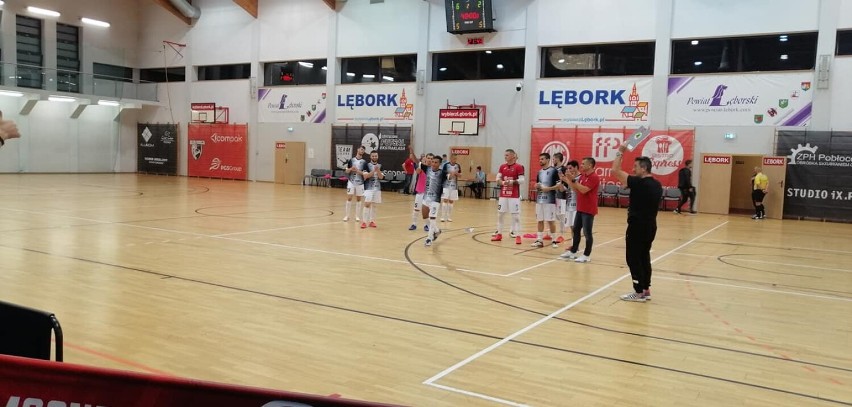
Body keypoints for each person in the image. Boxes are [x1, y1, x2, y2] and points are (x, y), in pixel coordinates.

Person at [562, 157, 599, 262]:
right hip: (580, 207)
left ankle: (586, 255)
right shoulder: (583, 176)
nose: (581, 165)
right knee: (576, 230)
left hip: (588, 209)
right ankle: (573, 251)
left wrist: (573, 180)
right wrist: (568, 180)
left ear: (590, 165)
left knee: (587, 233)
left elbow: (583, 190)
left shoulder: (594, 177)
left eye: (583, 164)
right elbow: (575, 189)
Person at [492, 149, 525, 245]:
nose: (505, 157)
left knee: (516, 216)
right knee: (500, 215)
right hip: (503, 195)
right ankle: (499, 234)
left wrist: (512, 182)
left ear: (512, 156)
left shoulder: (519, 167)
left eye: (507, 155)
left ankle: (518, 236)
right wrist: (502, 182)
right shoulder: (502, 167)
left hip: (514, 196)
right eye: (505, 155)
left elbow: (522, 180)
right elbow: (497, 179)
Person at [532, 153, 560, 248]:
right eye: (539, 159)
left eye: (542, 159)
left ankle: (554, 240)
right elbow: (538, 184)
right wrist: (537, 186)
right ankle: (539, 240)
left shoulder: (554, 171)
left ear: (548, 160)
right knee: (540, 220)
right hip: (539, 200)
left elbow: (559, 185)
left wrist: (549, 189)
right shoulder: (539, 172)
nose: (540, 161)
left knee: (551, 220)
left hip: (550, 201)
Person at [422, 154, 446, 247]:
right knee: (425, 217)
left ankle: (429, 238)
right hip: (426, 197)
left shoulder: (442, 173)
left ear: (439, 164)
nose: (434, 164)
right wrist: (412, 152)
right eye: (433, 162)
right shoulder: (427, 169)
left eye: (436, 162)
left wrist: (451, 175)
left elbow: (449, 176)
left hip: (435, 200)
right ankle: (437, 230)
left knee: (432, 219)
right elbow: (417, 163)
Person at [408, 150, 434, 231]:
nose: (429, 159)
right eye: (428, 158)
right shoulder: (422, 166)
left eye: (431, 158)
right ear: (426, 158)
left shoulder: (434, 169)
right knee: (416, 209)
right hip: (420, 192)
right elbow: (418, 170)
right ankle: (414, 224)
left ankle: (427, 225)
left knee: (427, 211)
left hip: (429, 194)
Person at [342, 146, 367, 222]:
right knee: (349, 198)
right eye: (361, 149)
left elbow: (364, 174)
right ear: (358, 150)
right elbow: (346, 171)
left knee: (359, 199)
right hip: (351, 182)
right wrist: (350, 169)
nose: (362, 151)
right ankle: (347, 216)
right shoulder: (351, 160)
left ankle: (357, 216)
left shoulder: (364, 162)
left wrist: (357, 170)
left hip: (360, 183)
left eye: (363, 150)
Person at [360, 151, 384, 229]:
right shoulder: (366, 165)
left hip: (377, 188)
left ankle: (372, 221)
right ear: (370, 157)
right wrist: (374, 171)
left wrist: (378, 170)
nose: (374, 157)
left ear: (378, 156)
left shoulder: (380, 165)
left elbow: (381, 177)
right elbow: (366, 176)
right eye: (373, 156)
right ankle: (364, 222)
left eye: (375, 156)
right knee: (367, 204)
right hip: (368, 187)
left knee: (374, 205)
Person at [440, 154, 461, 222]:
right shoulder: (446, 165)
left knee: (451, 201)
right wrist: (450, 173)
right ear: (451, 158)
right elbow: (443, 173)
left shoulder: (458, 166)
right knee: (445, 200)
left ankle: (449, 217)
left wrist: (457, 174)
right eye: (454, 158)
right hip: (446, 185)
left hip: (454, 186)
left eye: (456, 158)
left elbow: (460, 175)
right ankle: (443, 216)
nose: (455, 160)